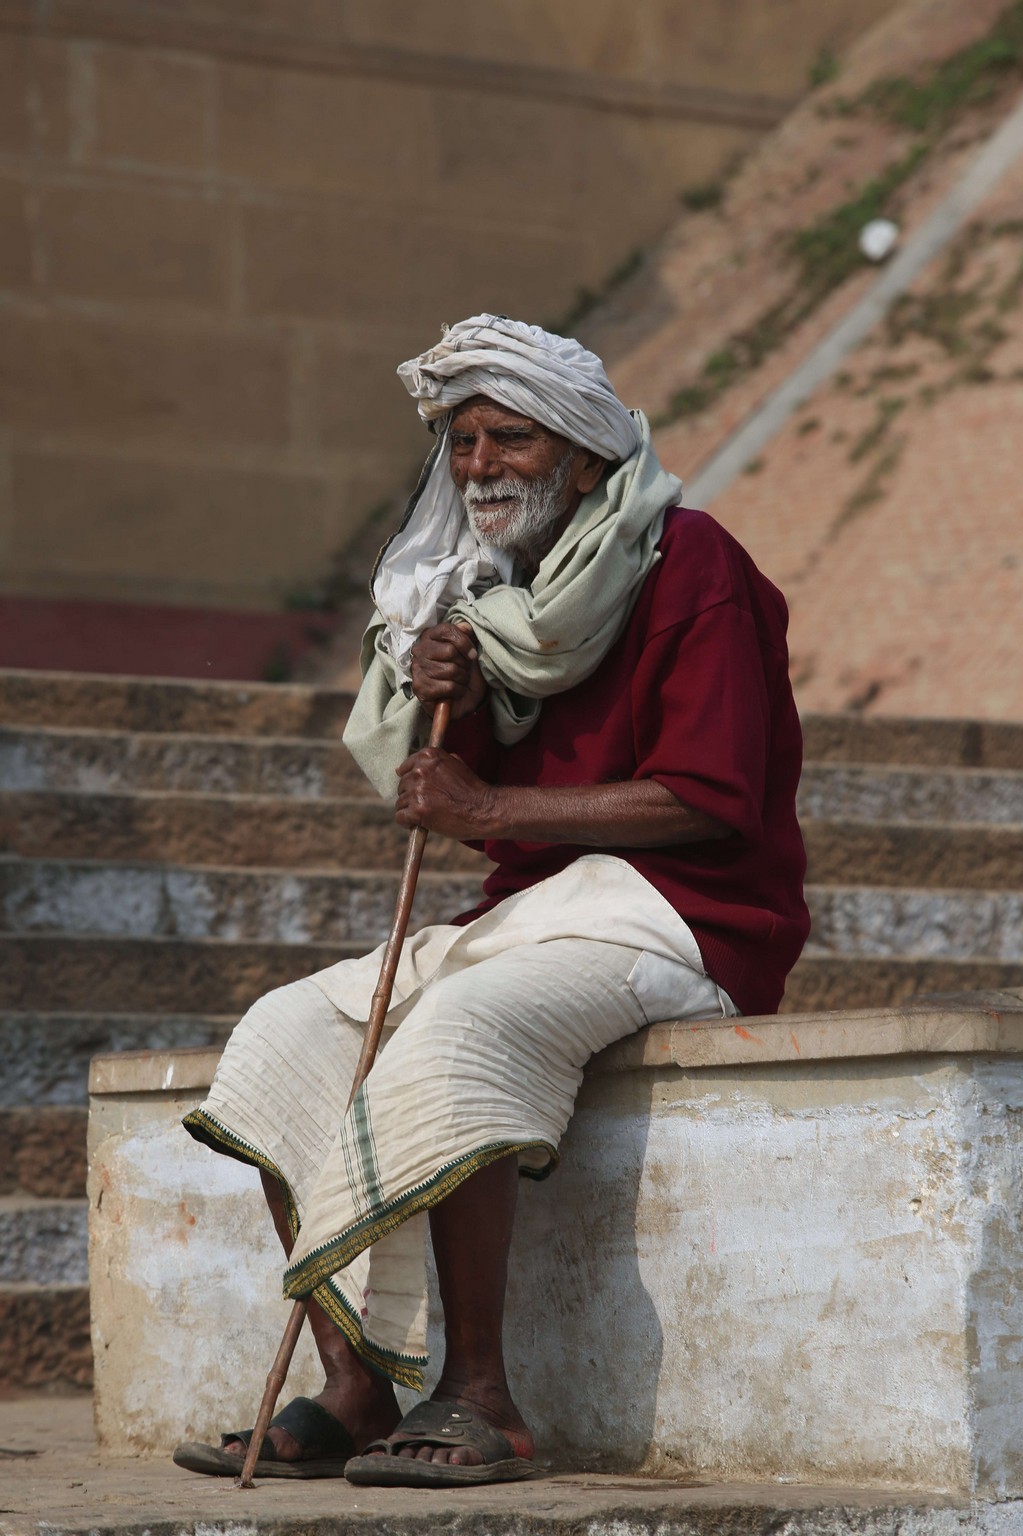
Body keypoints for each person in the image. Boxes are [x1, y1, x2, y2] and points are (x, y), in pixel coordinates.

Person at [172, 315, 809, 1488]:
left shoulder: (693, 564)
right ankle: (358, 1385)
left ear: (579, 451)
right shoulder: (487, 594)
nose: (479, 467)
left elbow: (707, 801)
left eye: (508, 438)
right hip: (530, 912)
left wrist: (486, 809)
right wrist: (448, 698)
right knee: (285, 1029)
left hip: (685, 913)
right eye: (461, 442)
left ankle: (481, 1400)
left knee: (462, 1029)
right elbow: (467, 787)